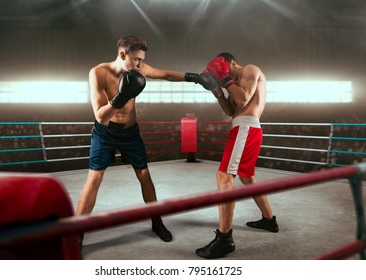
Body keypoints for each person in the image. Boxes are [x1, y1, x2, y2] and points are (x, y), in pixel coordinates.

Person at [76, 35, 212, 246]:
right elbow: (100, 116)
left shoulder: (137, 70)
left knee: (144, 174)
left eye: (142, 59)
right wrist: (120, 97)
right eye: (137, 59)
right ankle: (78, 232)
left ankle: (156, 222)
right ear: (122, 54)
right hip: (105, 133)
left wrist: (194, 77)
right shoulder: (98, 73)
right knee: (94, 178)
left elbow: (166, 74)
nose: (141, 64)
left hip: (130, 132)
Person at [195, 53, 279, 259]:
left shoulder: (249, 69)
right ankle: (269, 220)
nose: (224, 76)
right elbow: (232, 111)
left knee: (224, 177)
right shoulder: (234, 82)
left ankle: (224, 240)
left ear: (231, 63)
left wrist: (225, 79)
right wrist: (218, 92)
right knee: (247, 177)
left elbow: (242, 101)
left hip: (246, 128)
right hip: (243, 127)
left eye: (224, 70)